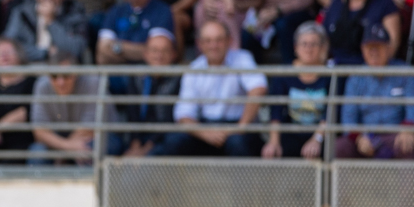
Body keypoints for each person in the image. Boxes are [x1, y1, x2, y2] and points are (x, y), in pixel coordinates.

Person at [151, 20, 266, 156]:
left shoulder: (242, 58)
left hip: (238, 127)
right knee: (173, 141)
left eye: (219, 40)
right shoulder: (194, 68)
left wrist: (240, 127)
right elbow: (184, 114)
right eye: (208, 41)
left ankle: (243, 178)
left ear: (229, 41)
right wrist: (205, 133)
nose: (214, 45)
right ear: (199, 44)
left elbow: (258, 89)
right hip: (204, 127)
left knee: (238, 143)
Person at [336, 24, 414, 159]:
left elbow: (411, 107)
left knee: (409, 144)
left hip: (395, 135)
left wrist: (407, 130)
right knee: (340, 147)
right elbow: (348, 117)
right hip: (366, 136)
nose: (373, 52)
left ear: (389, 48)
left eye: (378, 46)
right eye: (369, 47)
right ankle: (342, 182)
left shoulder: (404, 72)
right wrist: (359, 138)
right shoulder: (355, 77)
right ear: (362, 50)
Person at [262, 21, 329, 159]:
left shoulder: (331, 75)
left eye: (314, 44)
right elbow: (276, 112)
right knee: (275, 151)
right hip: (291, 132)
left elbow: (330, 114)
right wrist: (274, 142)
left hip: (321, 134)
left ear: (322, 47)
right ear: (295, 47)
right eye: (304, 44)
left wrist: (317, 139)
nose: (308, 49)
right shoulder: (284, 73)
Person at [107, 31, 177, 156]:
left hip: (163, 140)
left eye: (164, 51)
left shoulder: (178, 80)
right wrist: (135, 145)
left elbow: (169, 120)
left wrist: (145, 150)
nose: (159, 56)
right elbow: (132, 113)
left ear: (173, 55)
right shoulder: (137, 78)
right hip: (138, 138)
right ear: (146, 54)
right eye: (154, 50)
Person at [29, 48, 98, 164]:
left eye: (66, 75)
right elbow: (39, 132)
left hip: (94, 136)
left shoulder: (92, 82)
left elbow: (90, 128)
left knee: (88, 148)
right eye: (54, 76)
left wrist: (62, 153)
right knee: (37, 151)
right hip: (62, 138)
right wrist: (67, 147)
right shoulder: (42, 85)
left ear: (76, 73)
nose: (60, 82)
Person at [2, 0, 88, 63]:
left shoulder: (75, 12)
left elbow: (76, 50)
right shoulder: (22, 12)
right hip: (28, 70)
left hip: (62, 74)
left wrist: (51, 22)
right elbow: (9, 47)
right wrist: (45, 53)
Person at [322, 0, 400, 64]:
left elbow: (393, 44)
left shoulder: (385, 5)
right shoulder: (336, 5)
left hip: (369, 69)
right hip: (336, 67)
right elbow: (324, 40)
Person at [95, 0, 173, 64]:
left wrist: (118, 48)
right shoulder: (115, 11)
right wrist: (137, 52)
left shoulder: (161, 11)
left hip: (147, 75)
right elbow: (102, 52)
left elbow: (157, 52)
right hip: (117, 76)